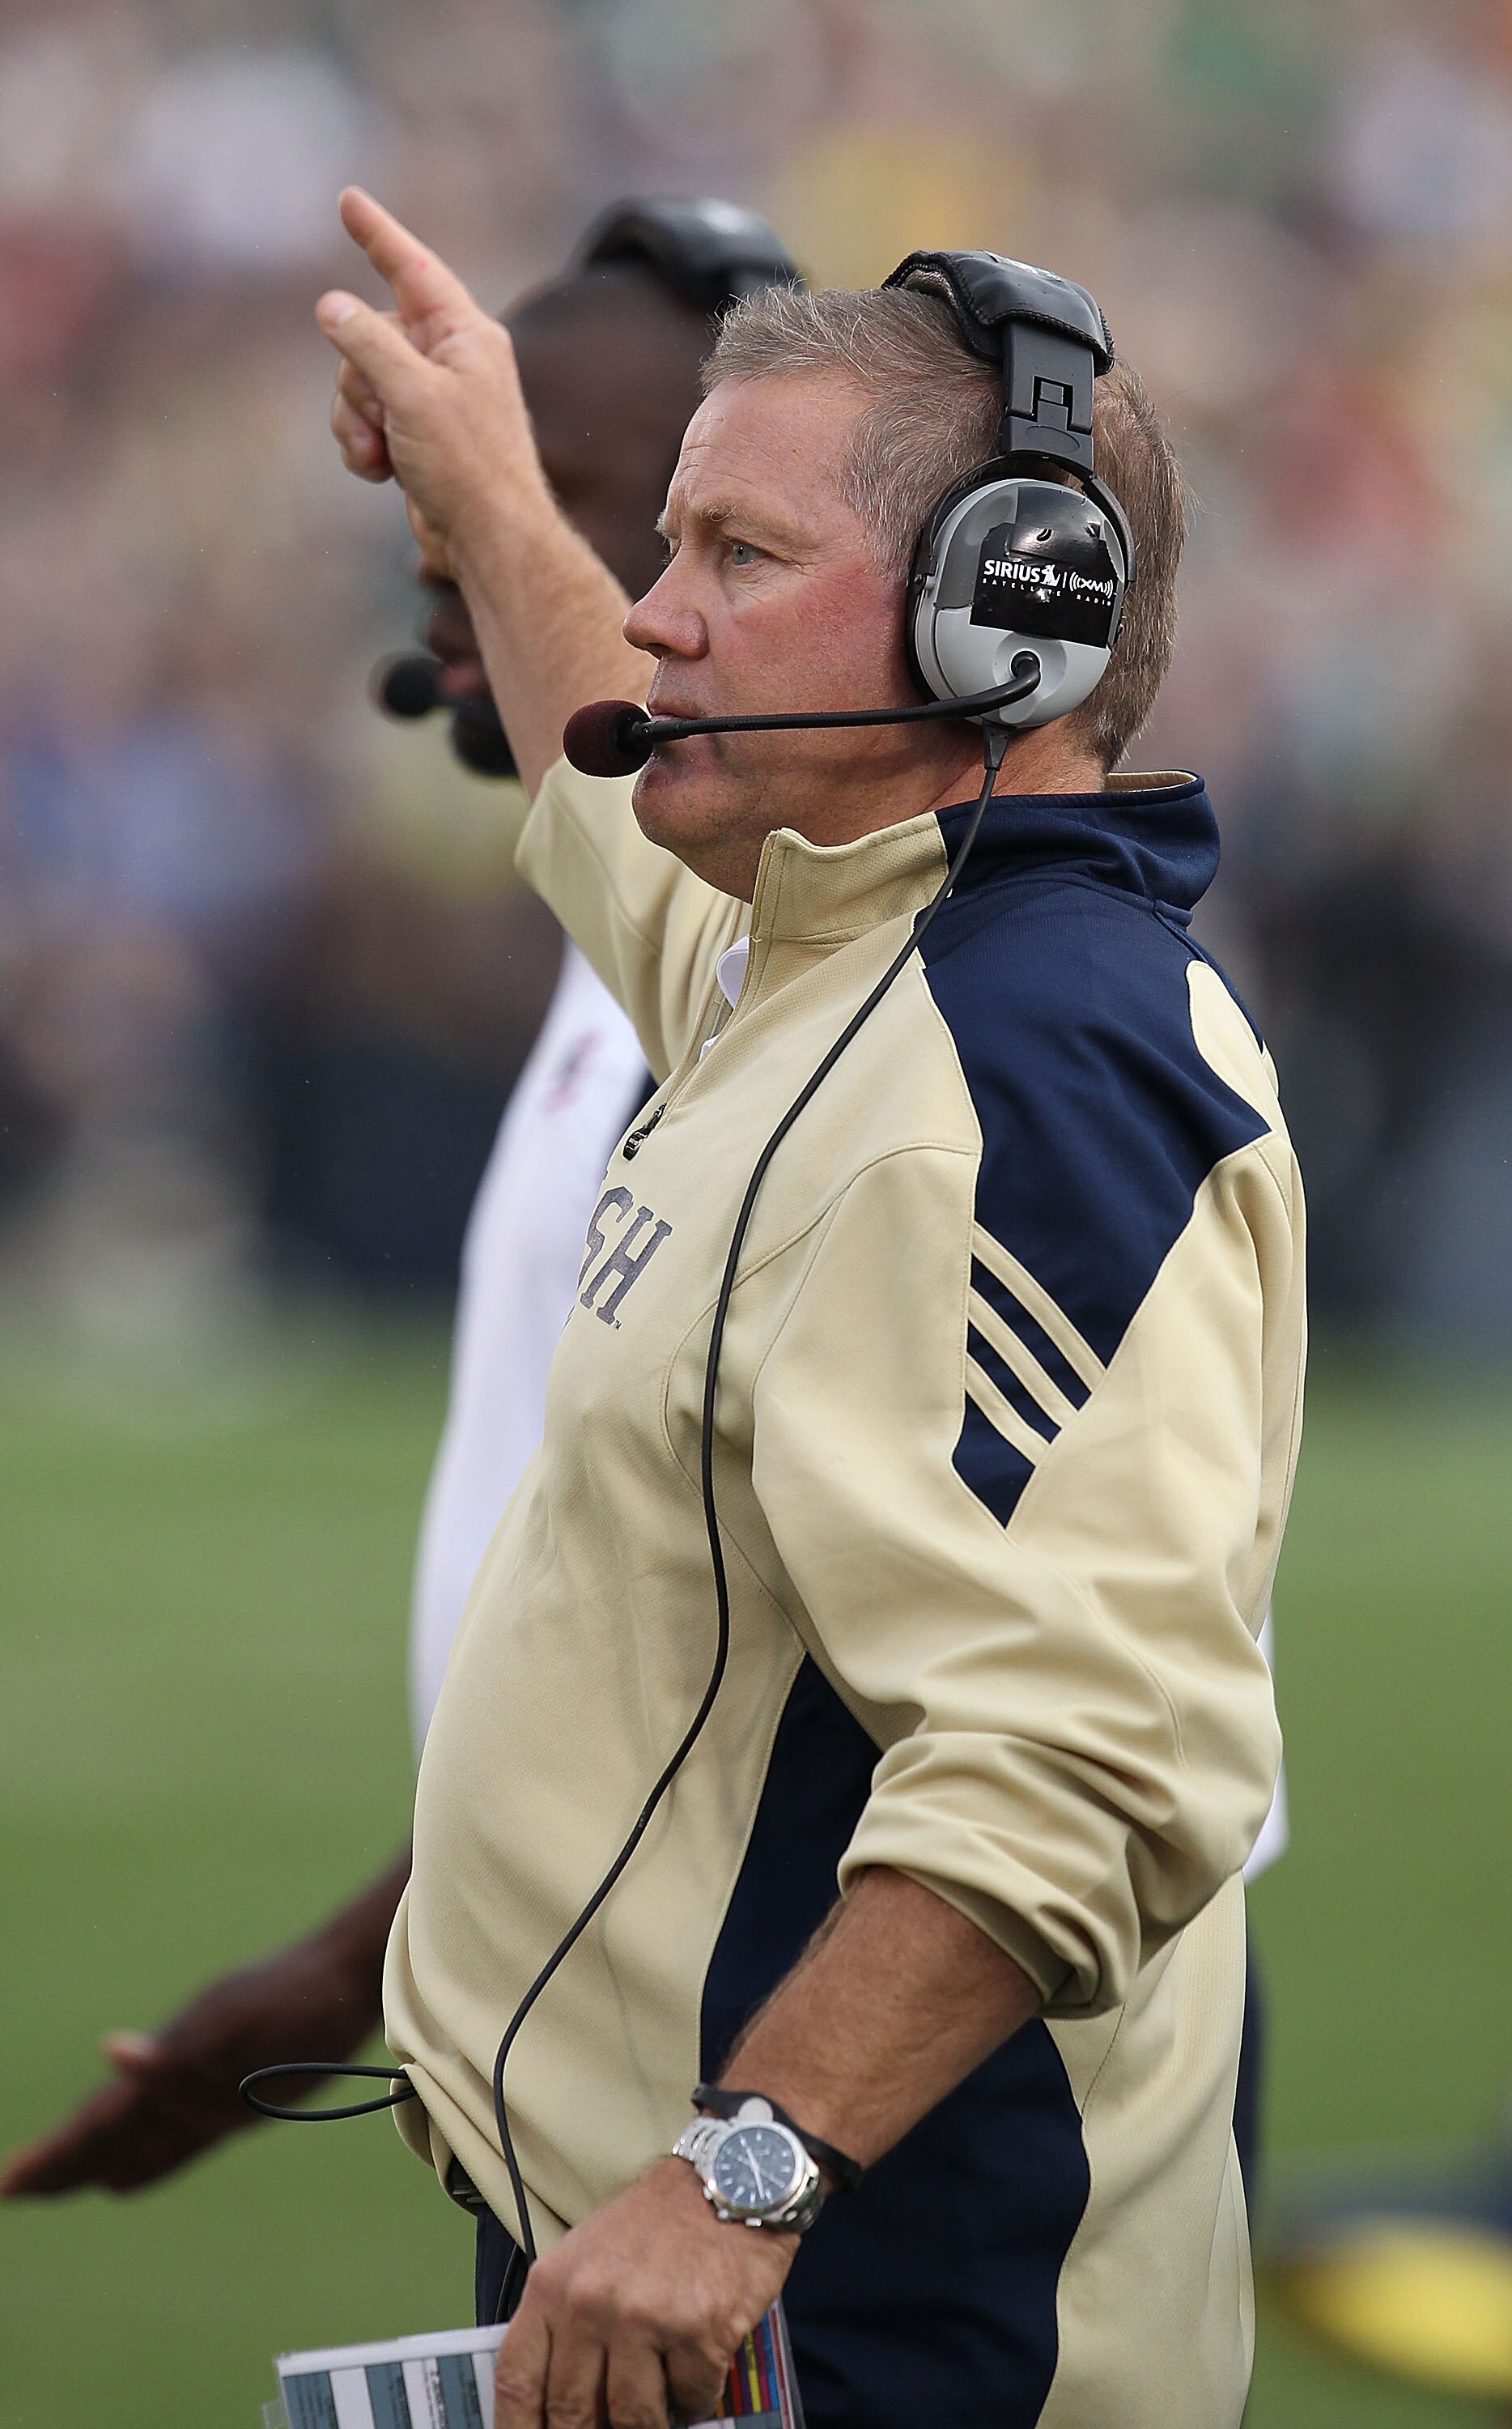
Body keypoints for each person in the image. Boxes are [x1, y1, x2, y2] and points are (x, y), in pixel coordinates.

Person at [316, 189, 1305, 2429]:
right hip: (694, 2269)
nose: (654, 616)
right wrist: (478, 481)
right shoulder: (821, 942)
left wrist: (737, 2177)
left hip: (841, 2299)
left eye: (734, 560)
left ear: (1001, 629)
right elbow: (603, 769)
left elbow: (1085, 1754)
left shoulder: (1029, 1068)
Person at [0, 197, 798, 2204]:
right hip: (628, 2054)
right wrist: (381, 1952)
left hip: (799, 2111)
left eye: (553, 487)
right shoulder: (627, 942)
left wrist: (756, 2163)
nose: (450, 540)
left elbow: (863, 1676)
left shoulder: (817, 983)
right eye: (441, 491)